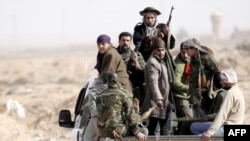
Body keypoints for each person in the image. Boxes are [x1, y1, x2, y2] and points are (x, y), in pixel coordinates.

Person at [193, 69, 245, 141]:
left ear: (227, 82)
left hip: (230, 130)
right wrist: (209, 117)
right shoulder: (236, 90)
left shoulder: (230, 94)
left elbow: (222, 115)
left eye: (222, 80)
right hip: (230, 125)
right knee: (194, 126)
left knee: (199, 138)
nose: (220, 82)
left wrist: (209, 132)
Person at [95, 72, 147, 141]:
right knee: (144, 131)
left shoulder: (99, 96)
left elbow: (99, 115)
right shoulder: (125, 95)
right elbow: (130, 116)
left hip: (103, 132)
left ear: (108, 83)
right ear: (118, 82)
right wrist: (137, 133)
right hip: (120, 131)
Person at [182, 38, 220, 117]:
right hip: (195, 96)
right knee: (197, 119)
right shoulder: (193, 59)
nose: (186, 52)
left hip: (205, 96)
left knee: (204, 119)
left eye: (187, 49)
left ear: (194, 48)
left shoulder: (206, 57)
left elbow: (217, 72)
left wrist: (212, 87)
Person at [141, 37, 171, 135]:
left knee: (161, 128)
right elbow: (153, 82)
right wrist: (158, 98)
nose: (161, 52)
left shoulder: (160, 61)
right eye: (158, 50)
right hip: (156, 102)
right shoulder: (153, 63)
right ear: (154, 51)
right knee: (157, 130)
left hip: (162, 100)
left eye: (163, 50)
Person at [116, 31, 146, 105]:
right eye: (123, 40)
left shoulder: (137, 55)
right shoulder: (114, 55)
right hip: (117, 87)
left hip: (133, 89)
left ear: (130, 42)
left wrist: (136, 62)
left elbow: (144, 72)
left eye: (127, 41)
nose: (125, 42)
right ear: (119, 41)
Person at [172, 42, 193, 135]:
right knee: (190, 120)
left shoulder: (192, 61)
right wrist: (188, 89)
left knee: (183, 122)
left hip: (190, 97)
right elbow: (175, 83)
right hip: (181, 97)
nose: (185, 55)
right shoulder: (178, 65)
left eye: (187, 52)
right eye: (182, 52)